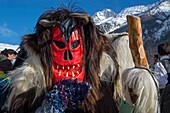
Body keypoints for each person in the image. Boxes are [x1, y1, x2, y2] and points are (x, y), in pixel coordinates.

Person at [5, 6, 119, 113]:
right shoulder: (27, 96)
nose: (68, 56)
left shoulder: (102, 95)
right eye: (59, 44)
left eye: (75, 45)